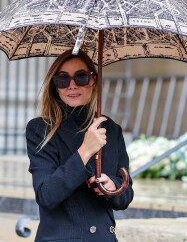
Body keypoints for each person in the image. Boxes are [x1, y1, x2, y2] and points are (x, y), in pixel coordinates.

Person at [26, 48, 134, 242]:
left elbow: (125, 195)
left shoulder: (111, 129)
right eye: (63, 79)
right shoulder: (41, 129)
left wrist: (112, 186)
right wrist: (85, 151)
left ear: (93, 81)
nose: (72, 85)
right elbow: (46, 195)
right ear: (55, 86)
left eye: (81, 77)